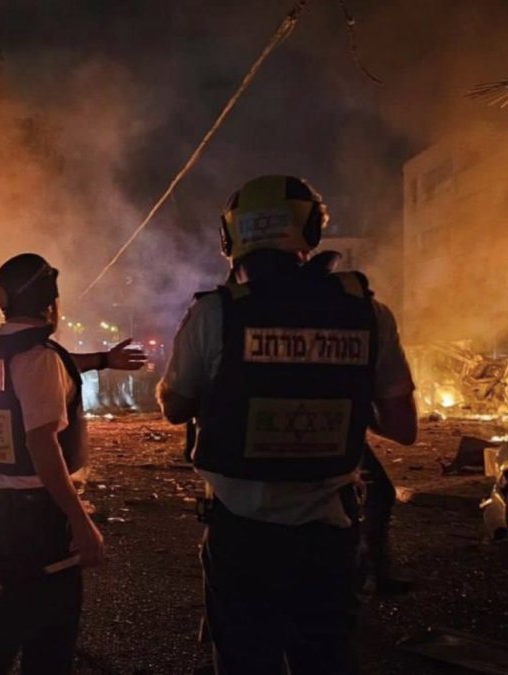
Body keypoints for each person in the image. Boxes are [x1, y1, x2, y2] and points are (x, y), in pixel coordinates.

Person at [156, 175, 418, 675]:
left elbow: (173, 406)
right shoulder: (368, 313)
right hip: (327, 536)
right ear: (311, 233)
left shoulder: (214, 315)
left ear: (231, 239)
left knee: (244, 660)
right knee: (324, 659)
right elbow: (403, 427)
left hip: (240, 533)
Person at [0, 253, 146, 675]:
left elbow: (39, 371)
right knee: (48, 625)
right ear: (51, 303)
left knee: (19, 597)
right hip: (36, 510)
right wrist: (80, 520)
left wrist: (102, 359)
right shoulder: (38, 358)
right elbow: (43, 443)